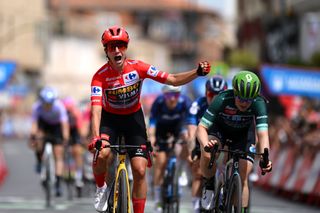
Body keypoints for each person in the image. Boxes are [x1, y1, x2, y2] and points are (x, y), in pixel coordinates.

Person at [88, 25, 211, 213]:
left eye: (120, 45)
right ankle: (101, 188)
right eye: (112, 47)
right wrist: (96, 136)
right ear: (106, 51)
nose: (117, 50)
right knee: (102, 153)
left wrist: (196, 72)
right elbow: (96, 109)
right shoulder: (99, 77)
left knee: (140, 169)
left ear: (126, 48)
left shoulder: (139, 68)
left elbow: (172, 79)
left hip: (133, 119)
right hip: (109, 120)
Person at [196, 71, 273, 212]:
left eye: (248, 100)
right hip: (220, 130)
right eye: (241, 98)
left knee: (244, 172)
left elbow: (263, 134)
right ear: (234, 92)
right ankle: (208, 184)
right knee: (207, 154)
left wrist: (265, 157)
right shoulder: (222, 98)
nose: (244, 103)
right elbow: (201, 128)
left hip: (244, 134)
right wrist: (206, 143)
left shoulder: (259, 103)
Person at [186, 75, 228, 212]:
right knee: (198, 172)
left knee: (229, 158)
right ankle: (197, 206)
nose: (214, 98)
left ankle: (225, 188)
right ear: (205, 93)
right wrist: (191, 150)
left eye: (219, 94)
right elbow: (192, 131)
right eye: (211, 94)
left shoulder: (230, 105)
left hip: (224, 137)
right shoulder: (198, 105)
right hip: (201, 139)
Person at [148, 85, 192, 212]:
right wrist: (152, 137)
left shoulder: (185, 102)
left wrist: (189, 138)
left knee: (186, 140)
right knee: (161, 161)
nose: (172, 99)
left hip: (179, 128)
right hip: (161, 130)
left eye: (176, 95)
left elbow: (190, 123)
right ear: (164, 95)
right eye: (169, 95)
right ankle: (158, 200)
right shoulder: (159, 102)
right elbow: (152, 123)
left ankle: (182, 170)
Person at [29, 87, 70, 197]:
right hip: (44, 125)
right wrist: (33, 136)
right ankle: (39, 160)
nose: (47, 106)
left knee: (58, 153)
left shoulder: (59, 107)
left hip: (56, 127)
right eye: (45, 104)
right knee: (38, 138)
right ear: (41, 101)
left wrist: (65, 138)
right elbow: (34, 123)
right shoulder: (37, 107)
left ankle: (58, 183)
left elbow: (64, 124)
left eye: (50, 104)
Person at [62, 97, 85, 190]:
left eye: (70, 110)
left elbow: (80, 128)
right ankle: (62, 170)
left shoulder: (77, 113)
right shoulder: (62, 113)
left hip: (75, 132)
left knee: (77, 151)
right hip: (64, 130)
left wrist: (81, 139)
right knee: (61, 149)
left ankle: (79, 174)